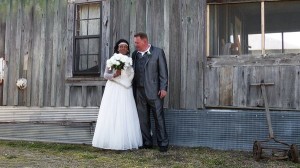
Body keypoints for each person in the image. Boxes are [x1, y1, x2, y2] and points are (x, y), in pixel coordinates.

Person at [92, 39, 142, 150]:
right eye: (121, 46)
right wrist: (114, 74)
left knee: (125, 112)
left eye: (125, 46)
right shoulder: (112, 60)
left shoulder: (130, 60)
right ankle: (110, 141)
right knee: (113, 112)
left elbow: (131, 74)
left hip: (125, 89)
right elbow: (105, 75)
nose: (123, 48)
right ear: (117, 48)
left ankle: (124, 141)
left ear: (128, 49)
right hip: (114, 88)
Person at [132, 32, 169, 152]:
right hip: (139, 91)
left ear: (144, 41)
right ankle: (147, 142)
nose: (135, 44)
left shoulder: (157, 52)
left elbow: (163, 72)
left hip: (155, 91)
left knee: (159, 118)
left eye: (137, 42)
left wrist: (163, 88)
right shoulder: (134, 54)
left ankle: (163, 143)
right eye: (135, 42)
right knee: (143, 119)